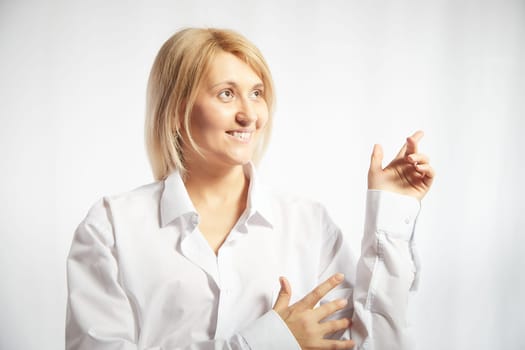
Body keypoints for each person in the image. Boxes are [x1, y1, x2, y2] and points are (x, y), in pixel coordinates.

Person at [66, 27, 435, 350]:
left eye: (256, 93)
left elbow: (371, 344)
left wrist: (391, 213)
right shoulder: (112, 226)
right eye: (226, 94)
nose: (249, 114)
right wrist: (267, 342)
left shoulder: (308, 223)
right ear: (177, 110)